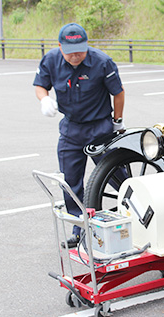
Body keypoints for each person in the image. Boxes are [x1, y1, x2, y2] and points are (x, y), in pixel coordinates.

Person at [33, 23, 125, 248]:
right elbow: (39, 86)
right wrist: (44, 99)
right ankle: (80, 229)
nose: (76, 56)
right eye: (70, 51)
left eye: (80, 50)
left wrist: (118, 122)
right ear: (60, 47)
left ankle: (135, 216)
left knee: (117, 177)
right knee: (71, 182)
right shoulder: (51, 60)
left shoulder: (101, 61)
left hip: (100, 128)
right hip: (71, 129)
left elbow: (118, 93)